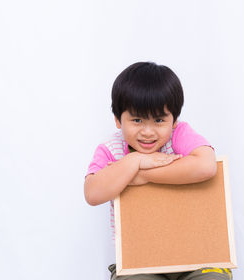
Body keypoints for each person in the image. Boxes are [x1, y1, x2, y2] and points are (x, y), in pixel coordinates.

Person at [84, 62, 232, 280]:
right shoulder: (111, 150)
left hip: (198, 256)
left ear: (174, 121)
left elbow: (206, 165)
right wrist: (133, 161)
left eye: (159, 120)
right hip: (139, 261)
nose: (147, 131)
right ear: (118, 120)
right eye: (136, 120)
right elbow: (93, 193)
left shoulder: (179, 135)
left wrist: (142, 174)